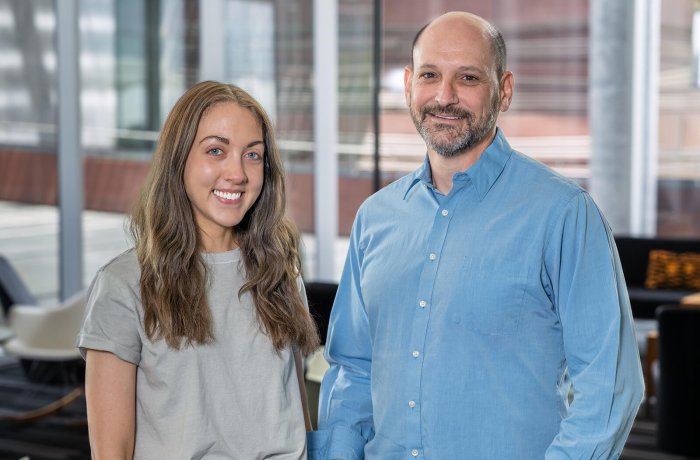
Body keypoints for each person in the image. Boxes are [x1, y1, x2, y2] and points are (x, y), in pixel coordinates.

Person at [308, 11, 644, 459]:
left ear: (503, 91)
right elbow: (352, 371)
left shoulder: (563, 215)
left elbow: (610, 386)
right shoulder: (375, 219)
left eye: (467, 77)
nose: (444, 96)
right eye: (430, 75)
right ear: (409, 84)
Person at [77, 81, 320, 459]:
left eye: (252, 155)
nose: (237, 173)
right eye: (216, 151)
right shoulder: (124, 286)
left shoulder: (280, 275)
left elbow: (298, 422)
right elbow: (112, 452)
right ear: (179, 159)